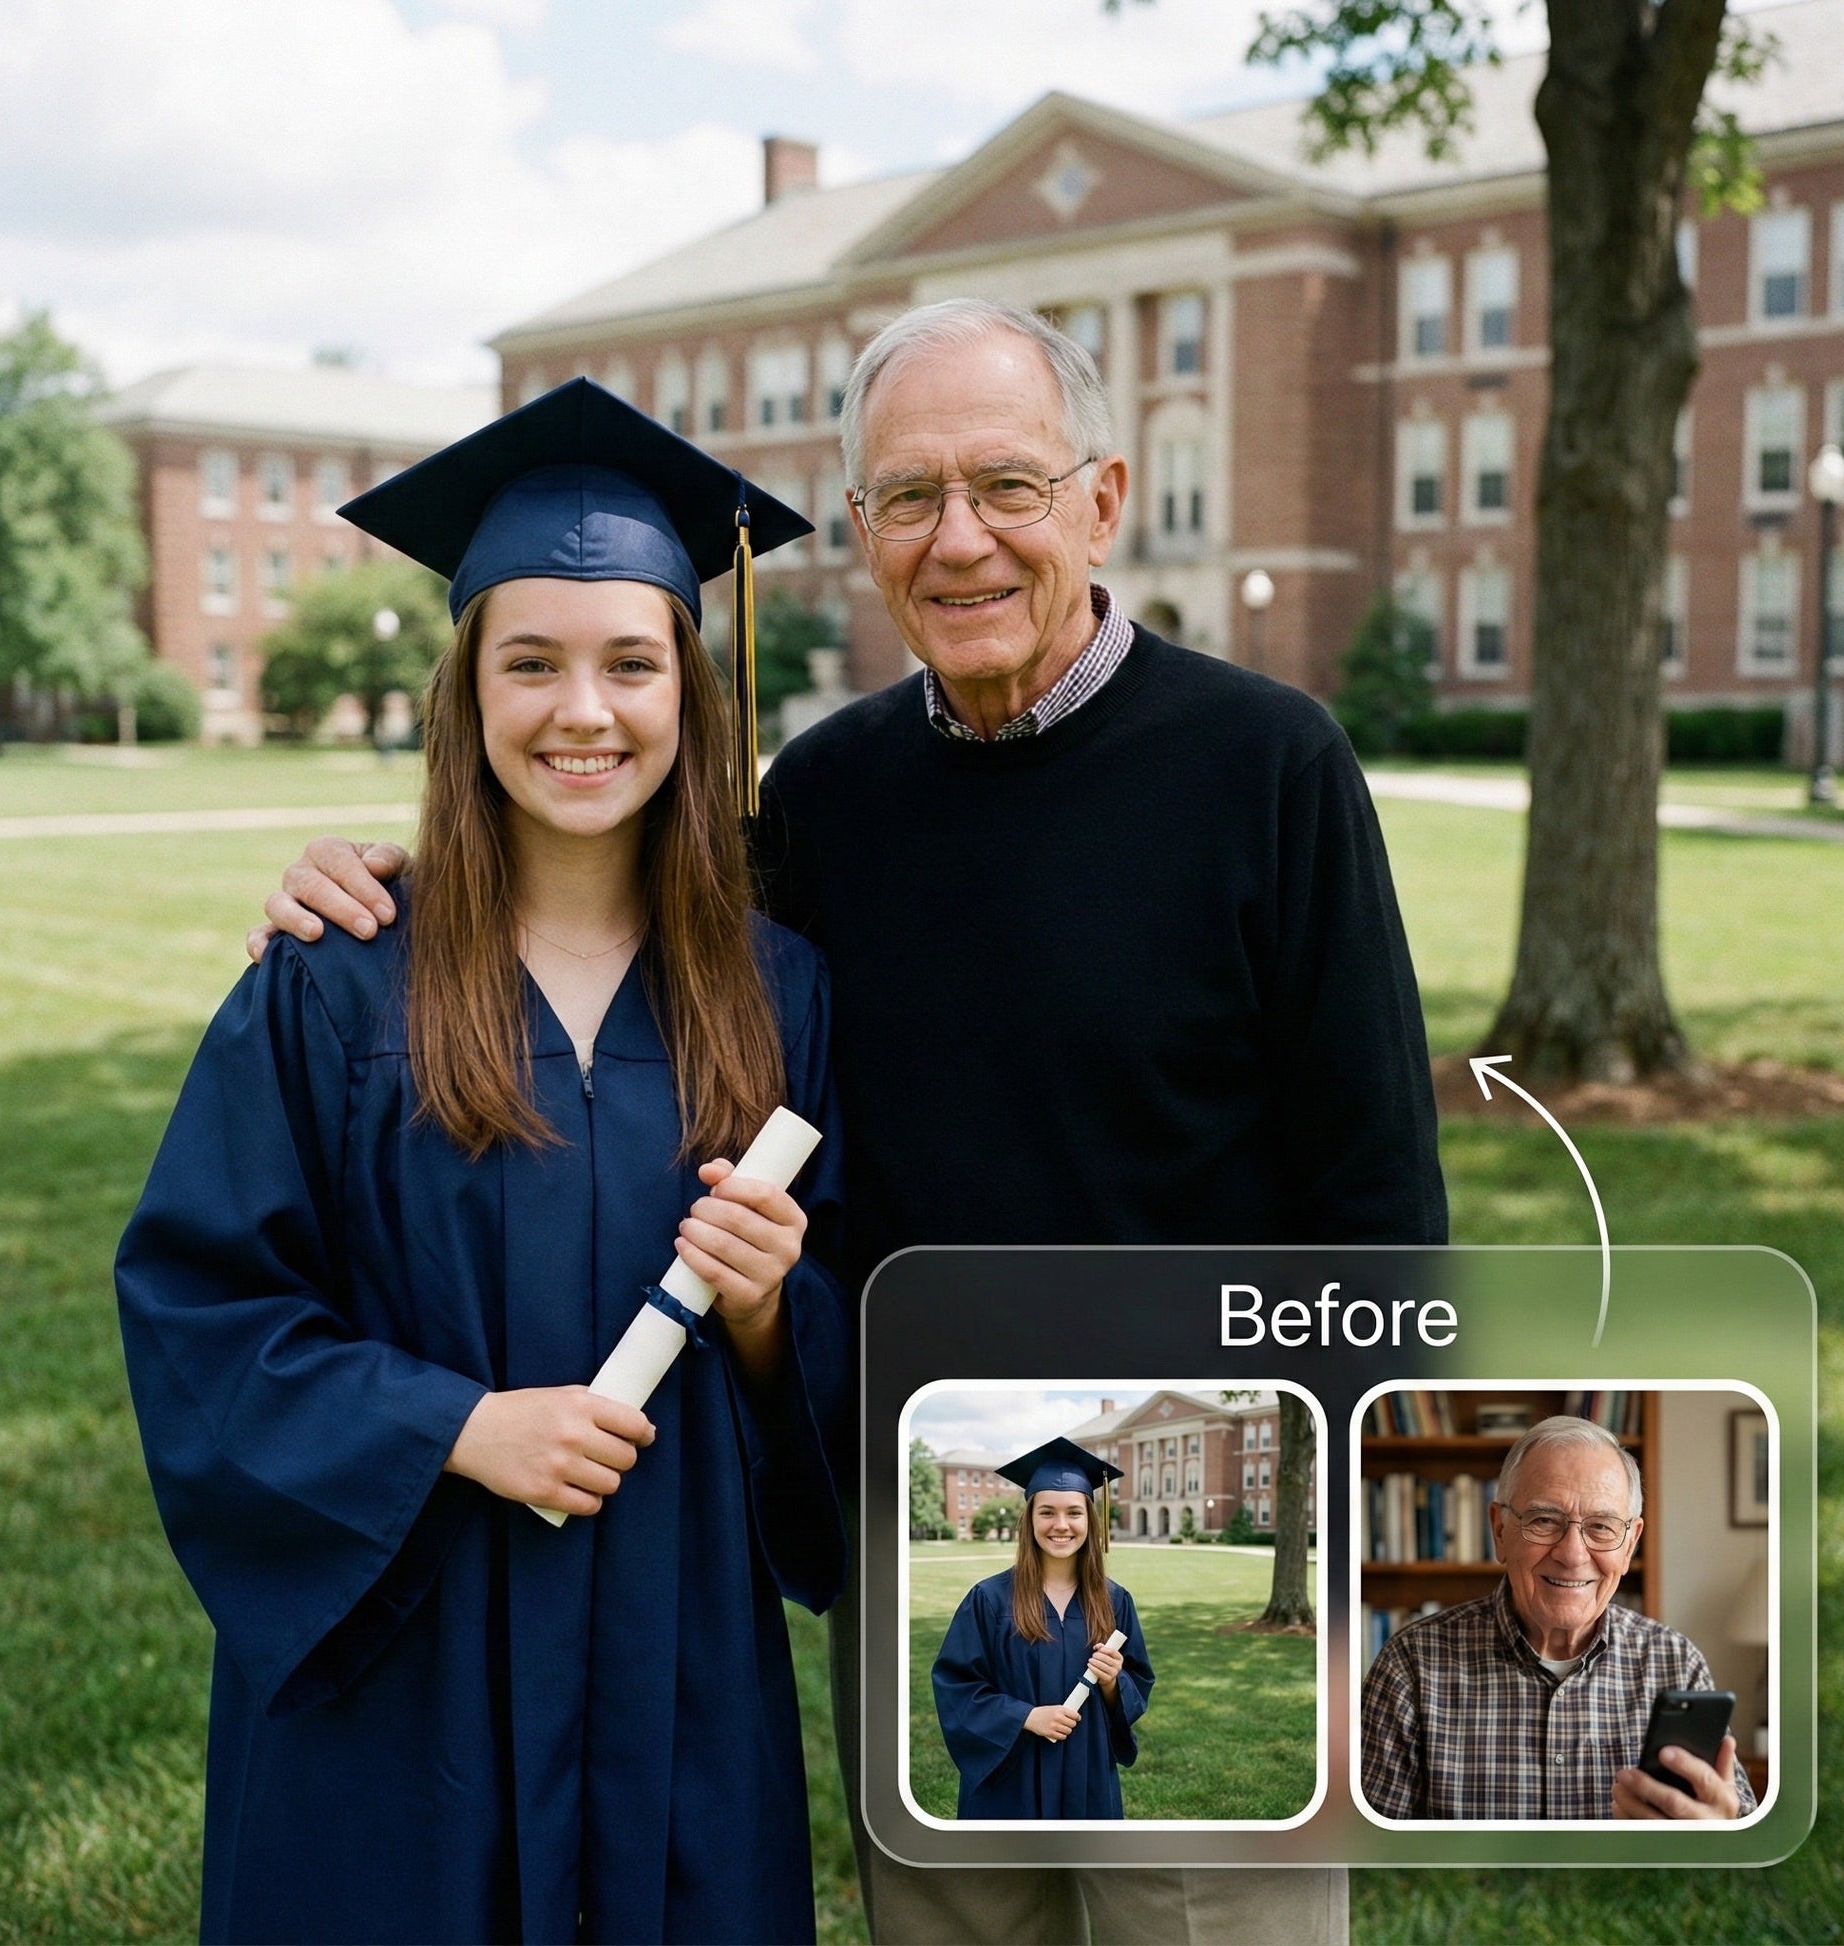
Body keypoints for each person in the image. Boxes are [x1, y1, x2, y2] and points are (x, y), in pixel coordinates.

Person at [249, 300, 1445, 1944]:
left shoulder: (1270, 767)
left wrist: (1337, 1573)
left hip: (1193, 1506)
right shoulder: (825, 801)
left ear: (1102, 501)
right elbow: (592, 860)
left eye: (1007, 487)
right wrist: (378, 880)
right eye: (907, 497)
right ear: (862, 531)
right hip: (918, 1519)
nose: (959, 540)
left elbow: (1379, 1208)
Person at [116, 379, 852, 1944]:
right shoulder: (333, 982)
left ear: (689, 690)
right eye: (531, 662)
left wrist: (772, 1306)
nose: (582, 711)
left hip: (678, 1654)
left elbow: (845, 1364)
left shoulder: (776, 991)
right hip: (408, 1662)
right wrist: (452, 1426)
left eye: (630, 663)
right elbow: (202, 1312)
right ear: (466, 689)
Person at [1360, 1416, 1757, 1822]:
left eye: (1601, 1527)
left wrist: (1722, 1834)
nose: (1572, 1554)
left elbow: (1739, 1828)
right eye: (1544, 1521)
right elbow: (1361, 1856)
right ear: (1500, 1530)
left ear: (1630, 1544)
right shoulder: (1410, 1666)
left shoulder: (1675, 1663)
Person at [932, 1439, 1153, 1820]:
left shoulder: (1115, 1601)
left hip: (1087, 1771)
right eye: (1047, 1512)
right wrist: (1025, 1717)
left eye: (1074, 1513)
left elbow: (1139, 1682)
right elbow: (957, 1686)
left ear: (1090, 1518)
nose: (1061, 1525)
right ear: (1030, 1519)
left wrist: (1113, 1682)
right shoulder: (989, 1600)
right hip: (1012, 1774)